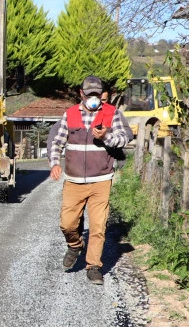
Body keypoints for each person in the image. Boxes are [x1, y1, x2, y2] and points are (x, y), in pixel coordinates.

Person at [49, 75, 133, 285]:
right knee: (67, 223)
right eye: (89, 95)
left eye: (96, 94)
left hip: (101, 180)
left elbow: (126, 137)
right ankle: (75, 245)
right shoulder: (69, 114)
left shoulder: (112, 113)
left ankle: (94, 266)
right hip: (74, 180)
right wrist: (54, 163)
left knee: (98, 226)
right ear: (81, 94)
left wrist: (106, 137)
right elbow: (56, 141)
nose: (93, 98)